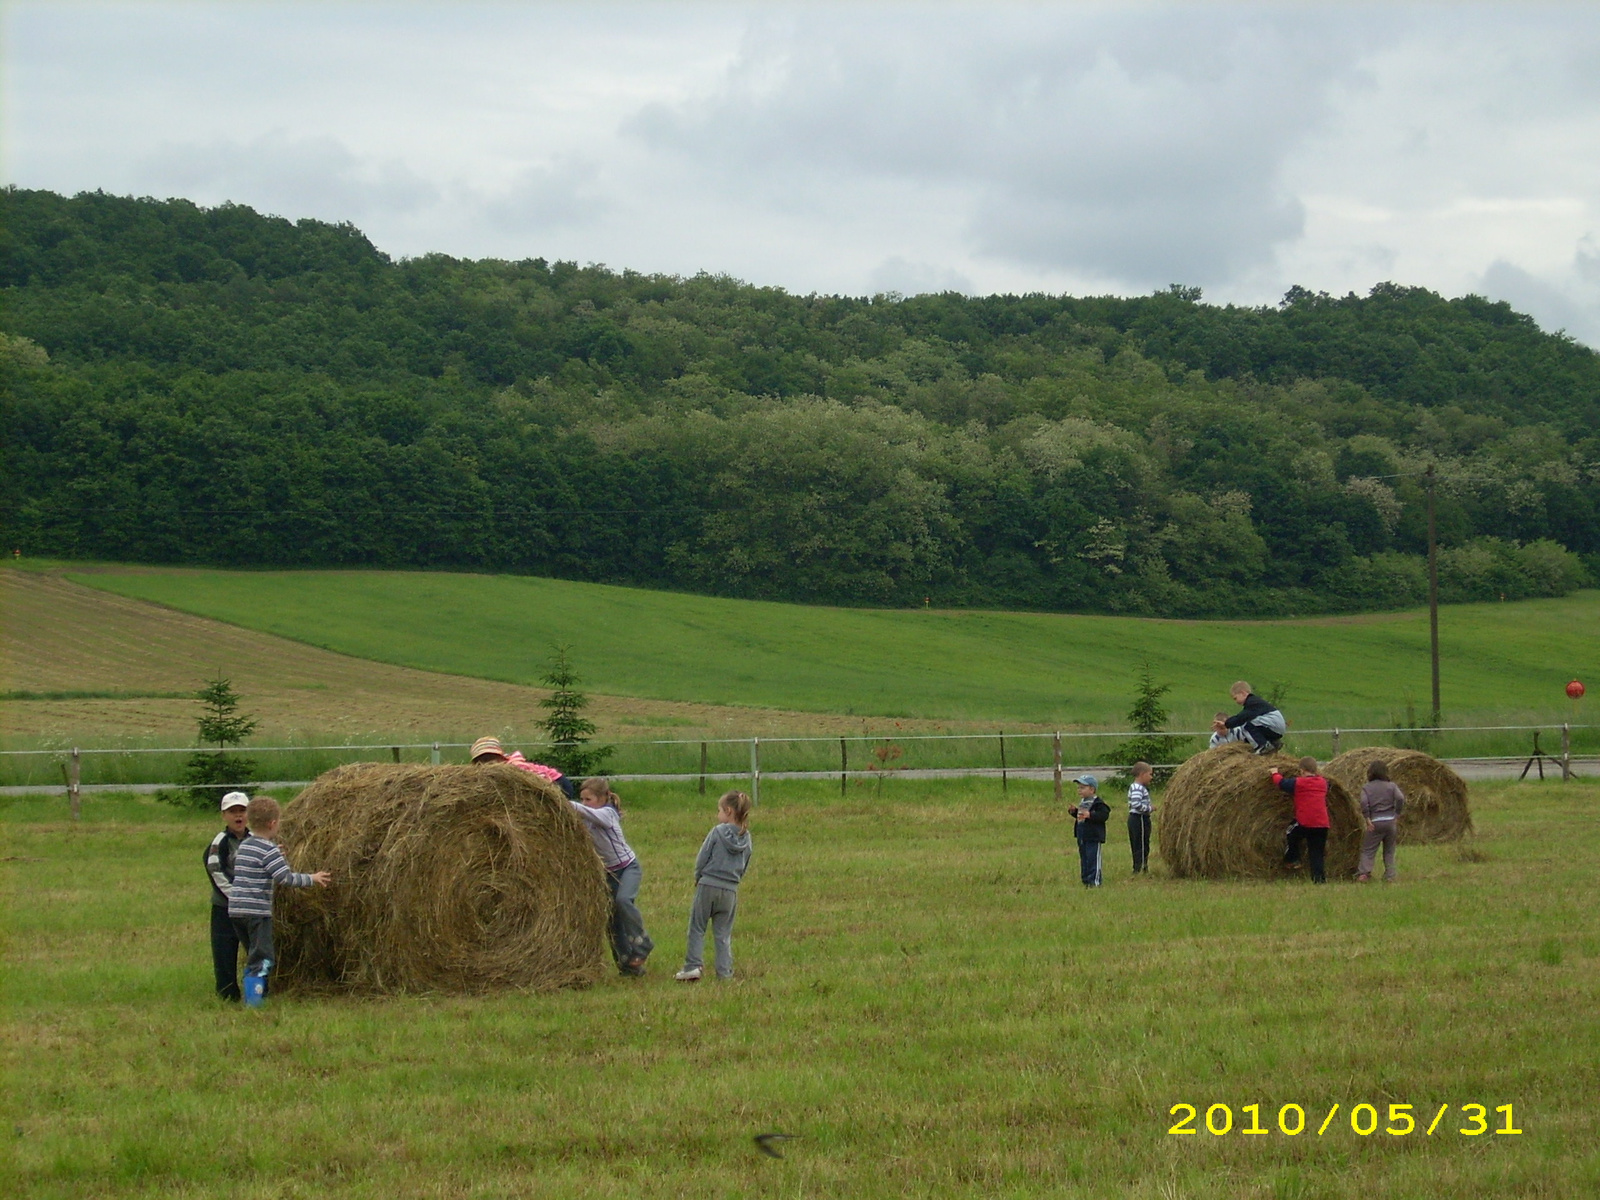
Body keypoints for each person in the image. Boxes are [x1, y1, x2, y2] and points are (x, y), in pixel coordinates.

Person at [227, 795, 331, 1003]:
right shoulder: (269, 850)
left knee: (253, 954)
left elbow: (254, 865)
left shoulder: (245, 845)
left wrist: (275, 855)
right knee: (264, 958)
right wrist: (313, 878)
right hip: (257, 913)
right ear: (273, 823)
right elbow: (285, 877)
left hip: (236, 911)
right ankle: (254, 1002)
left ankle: (254, 993)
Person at [570, 777, 654, 976]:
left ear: (603, 798)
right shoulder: (586, 816)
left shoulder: (608, 813)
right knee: (612, 919)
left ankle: (643, 943)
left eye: (588, 799)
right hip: (608, 873)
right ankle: (627, 965)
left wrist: (566, 803)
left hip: (627, 868)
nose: (584, 804)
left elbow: (592, 815)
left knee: (624, 900)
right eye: (581, 799)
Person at [675, 790, 754, 982]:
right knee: (723, 933)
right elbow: (745, 864)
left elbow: (703, 857)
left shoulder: (717, 832)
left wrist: (697, 876)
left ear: (728, 811)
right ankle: (724, 973)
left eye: (719, 810)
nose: (717, 815)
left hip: (708, 884)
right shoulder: (747, 838)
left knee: (697, 927)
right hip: (730, 890)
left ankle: (693, 966)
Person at [205, 791, 251, 1001]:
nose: (238, 816)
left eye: (242, 811)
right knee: (225, 952)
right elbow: (216, 872)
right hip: (225, 907)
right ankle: (227, 993)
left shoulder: (256, 840)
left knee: (255, 950)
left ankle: (257, 991)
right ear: (224, 815)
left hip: (251, 908)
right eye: (232, 812)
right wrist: (236, 896)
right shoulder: (220, 842)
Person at [1273, 756, 1331, 883]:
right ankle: (1319, 880)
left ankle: (1293, 858)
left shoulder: (1298, 782)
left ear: (1302, 771)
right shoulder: (1323, 782)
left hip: (1305, 822)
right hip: (1322, 824)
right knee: (1317, 853)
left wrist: (1275, 773)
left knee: (1290, 832)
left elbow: (1281, 783)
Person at [470, 735, 576, 798]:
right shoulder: (495, 774)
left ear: (500, 757)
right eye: (483, 761)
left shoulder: (515, 767)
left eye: (491, 758)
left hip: (557, 782)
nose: (489, 763)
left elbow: (538, 780)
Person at [1357, 760, 1406, 882]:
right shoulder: (1392, 786)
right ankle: (1390, 875)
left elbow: (1363, 802)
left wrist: (1367, 818)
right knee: (1389, 850)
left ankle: (1364, 873)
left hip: (1375, 822)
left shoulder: (1367, 788)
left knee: (1368, 849)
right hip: (1390, 822)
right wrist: (1396, 814)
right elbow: (1400, 798)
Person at [1210, 682, 1287, 754]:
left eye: (1235, 698)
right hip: (1276, 727)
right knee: (1253, 727)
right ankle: (1273, 743)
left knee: (1246, 725)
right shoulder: (1255, 702)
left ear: (1243, 693)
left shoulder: (1251, 703)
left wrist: (1226, 723)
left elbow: (1241, 718)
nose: (1236, 702)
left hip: (1273, 724)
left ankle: (1262, 746)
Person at [1068, 774, 1111, 887]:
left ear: (1092, 789)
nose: (1079, 790)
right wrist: (1074, 812)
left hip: (1093, 836)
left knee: (1093, 859)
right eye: (1079, 787)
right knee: (1084, 859)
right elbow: (1081, 817)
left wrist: (1091, 815)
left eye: (1082, 788)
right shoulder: (1083, 802)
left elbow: (1104, 815)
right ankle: (1086, 880)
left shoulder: (1098, 803)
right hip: (1082, 835)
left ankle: (1095, 881)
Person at [1126, 762, 1154, 874]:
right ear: (1142, 774)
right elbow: (1136, 804)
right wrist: (1149, 808)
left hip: (1135, 818)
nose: (1151, 777)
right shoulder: (1138, 788)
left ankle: (1138, 866)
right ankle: (1141, 867)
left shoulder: (1135, 787)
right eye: (1150, 774)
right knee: (1142, 843)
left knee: (1137, 843)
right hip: (1140, 818)